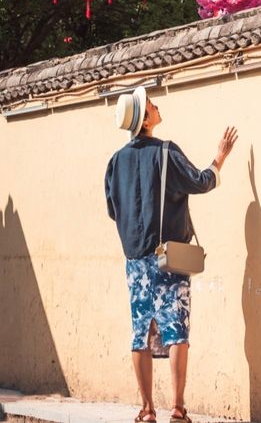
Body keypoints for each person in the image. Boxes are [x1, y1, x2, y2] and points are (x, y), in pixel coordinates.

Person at [105, 85, 238, 423]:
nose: (155, 104)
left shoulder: (115, 162)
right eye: (150, 103)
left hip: (135, 262)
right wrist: (219, 158)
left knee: (141, 332)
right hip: (167, 258)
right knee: (176, 330)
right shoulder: (165, 152)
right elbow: (199, 181)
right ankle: (177, 409)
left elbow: (113, 210)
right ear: (145, 120)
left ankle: (147, 409)